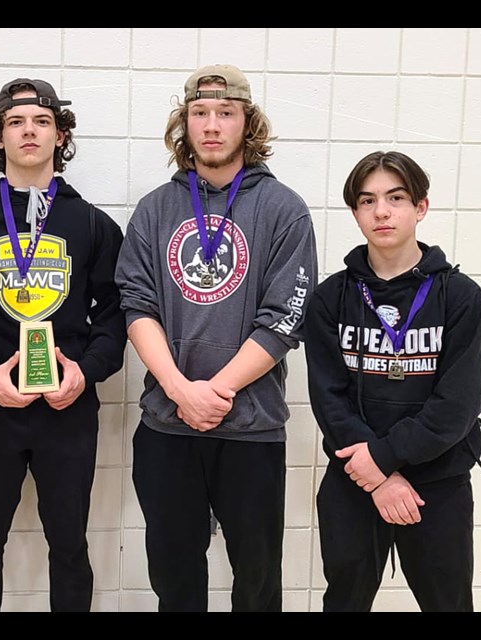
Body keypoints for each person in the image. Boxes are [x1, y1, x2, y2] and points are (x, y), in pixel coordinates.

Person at [114, 64, 318, 612]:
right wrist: (182, 391)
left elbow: (284, 318)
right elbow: (137, 306)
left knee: (257, 581)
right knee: (176, 581)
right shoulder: (156, 209)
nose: (211, 125)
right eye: (199, 113)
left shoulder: (284, 210)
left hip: (250, 430)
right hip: (168, 427)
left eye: (225, 113)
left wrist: (213, 392)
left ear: (246, 123)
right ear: (185, 123)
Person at [0, 78, 126, 611]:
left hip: (68, 411)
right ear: (0, 138)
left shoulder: (93, 225)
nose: (28, 131)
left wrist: (87, 371)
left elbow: (117, 316)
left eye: (41, 122)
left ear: (60, 135)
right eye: (15, 122)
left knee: (71, 548)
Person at [303, 151, 481, 612]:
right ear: (355, 213)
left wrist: (385, 459)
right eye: (368, 201)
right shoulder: (330, 299)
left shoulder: (460, 297)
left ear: (420, 207)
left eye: (396, 197)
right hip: (355, 478)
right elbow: (330, 401)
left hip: (438, 481)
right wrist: (378, 478)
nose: (381, 211)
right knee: (343, 602)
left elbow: (457, 406)